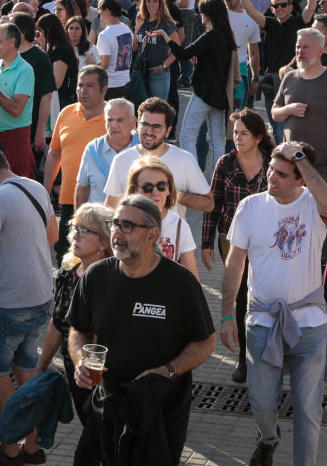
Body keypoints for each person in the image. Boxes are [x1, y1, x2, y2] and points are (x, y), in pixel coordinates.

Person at [67, 192, 218, 466]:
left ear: (152, 235)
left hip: (160, 413)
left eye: (127, 226)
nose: (117, 234)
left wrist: (168, 370)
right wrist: (80, 360)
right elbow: (78, 330)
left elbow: (206, 342)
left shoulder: (180, 283)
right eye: (115, 224)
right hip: (108, 406)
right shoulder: (96, 276)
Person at [220, 141, 327, 466]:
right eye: (271, 169)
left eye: (282, 174)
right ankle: (268, 438)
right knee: (261, 403)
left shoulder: (313, 205)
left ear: (301, 179)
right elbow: (234, 265)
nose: (271, 177)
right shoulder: (250, 207)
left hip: (309, 326)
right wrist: (227, 314)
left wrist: (299, 155)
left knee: (308, 410)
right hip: (262, 322)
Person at [0, 144, 56, 464]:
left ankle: (9, 451)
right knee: (25, 369)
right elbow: (52, 235)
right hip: (41, 297)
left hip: (9, 303)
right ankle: (33, 447)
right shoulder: (35, 187)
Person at [200, 109, 275, 384]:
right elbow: (213, 204)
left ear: (258, 137)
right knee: (242, 297)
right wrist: (206, 243)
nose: (238, 138)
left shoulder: (273, 163)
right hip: (231, 241)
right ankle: (245, 359)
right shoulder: (225, 163)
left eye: (244, 133)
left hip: (267, 242)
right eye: (235, 132)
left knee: (265, 296)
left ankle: (271, 354)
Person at [35, 202, 114, 424]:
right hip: (74, 371)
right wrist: (41, 367)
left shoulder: (113, 279)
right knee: (88, 424)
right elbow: (57, 323)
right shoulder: (67, 272)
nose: (75, 235)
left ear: (103, 242)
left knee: (99, 431)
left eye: (85, 231)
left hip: (103, 375)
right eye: (75, 228)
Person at [272, 28, 327, 189]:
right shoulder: (289, 78)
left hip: (324, 165)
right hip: (291, 163)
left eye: (306, 47)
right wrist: (288, 109)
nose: (300, 51)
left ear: (320, 51)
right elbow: (275, 114)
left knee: (323, 205)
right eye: (298, 46)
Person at [103, 98, 212, 219]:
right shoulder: (121, 160)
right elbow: (110, 208)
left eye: (156, 127)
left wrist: (172, 193)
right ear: (136, 125)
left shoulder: (184, 159)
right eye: (145, 124)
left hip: (171, 231)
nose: (149, 131)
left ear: (168, 131)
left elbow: (209, 204)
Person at [170, 0, 238, 177]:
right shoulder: (226, 35)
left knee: (187, 137)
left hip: (204, 93)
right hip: (220, 95)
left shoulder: (211, 35)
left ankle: (192, 178)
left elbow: (183, 54)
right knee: (217, 141)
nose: (200, 15)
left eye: (202, 12)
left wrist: (166, 38)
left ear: (208, 14)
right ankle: (218, 180)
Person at [45, 66, 109, 256]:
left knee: (101, 257)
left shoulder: (115, 118)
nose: (83, 90)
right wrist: (45, 190)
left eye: (90, 86)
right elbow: (54, 153)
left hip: (103, 204)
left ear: (104, 90)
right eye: (80, 85)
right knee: (65, 255)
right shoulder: (66, 113)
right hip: (69, 200)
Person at [0, 23, 37, 179]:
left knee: (16, 185)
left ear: (12, 42)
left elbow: (16, 109)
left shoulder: (25, 70)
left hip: (14, 140)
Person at [125, 156, 199, 277]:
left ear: (169, 189)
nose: (155, 193)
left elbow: (193, 280)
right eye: (148, 188)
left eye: (161, 186)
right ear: (135, 190)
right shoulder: (122, 225)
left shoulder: (180, 226)